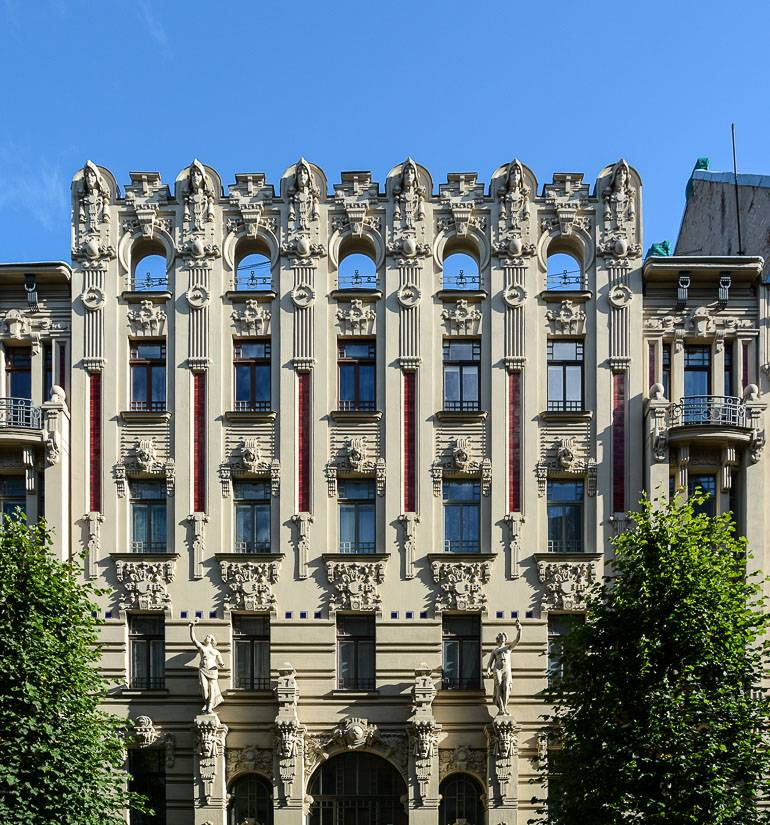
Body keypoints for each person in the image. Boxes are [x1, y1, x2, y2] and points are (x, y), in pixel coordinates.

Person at [485, 619, 522, 715]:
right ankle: (501, 708)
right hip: (497, 669)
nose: (502, 637)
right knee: (498, 687)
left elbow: (517, 640)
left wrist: (519, 630)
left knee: (506, 687)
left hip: (506, 669)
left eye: (504, 636)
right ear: (498, 639)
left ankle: (504, 708)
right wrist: (488, 670)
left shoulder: (508, 648)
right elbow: (489, 663)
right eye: (501, 636)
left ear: (505, 639)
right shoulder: (495, 650)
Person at [189, 618, 224, 714]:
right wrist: (192, 627)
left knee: (212, 688)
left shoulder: (216, 651)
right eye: (206, 636)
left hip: (213, 670)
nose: (206, 637)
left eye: (208, 636)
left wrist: (221, 663)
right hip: (203, 669)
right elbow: (194, 640)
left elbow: (221, 662)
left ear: (212, 640)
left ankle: (209, 708)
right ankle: (208, 704)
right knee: (204, 688)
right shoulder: (202, 648)